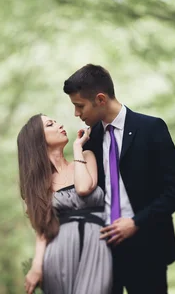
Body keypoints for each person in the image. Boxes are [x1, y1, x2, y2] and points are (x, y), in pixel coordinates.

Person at [63, 64, 175, 294]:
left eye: (79, 106)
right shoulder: (89, 140)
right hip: (103, 252)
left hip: (148, 248)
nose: (76, 114)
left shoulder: (151, 128)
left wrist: (136, 222)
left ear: (100, 99)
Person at [17, 114, 112, 294]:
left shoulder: (85, 156)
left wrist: (77, 147)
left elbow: (84, 187)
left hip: (97, 244)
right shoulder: (38, 185)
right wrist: (37, 265)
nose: (58, 124)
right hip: (58, 251)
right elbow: (42, 230)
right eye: (50, 124)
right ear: (38, 138)